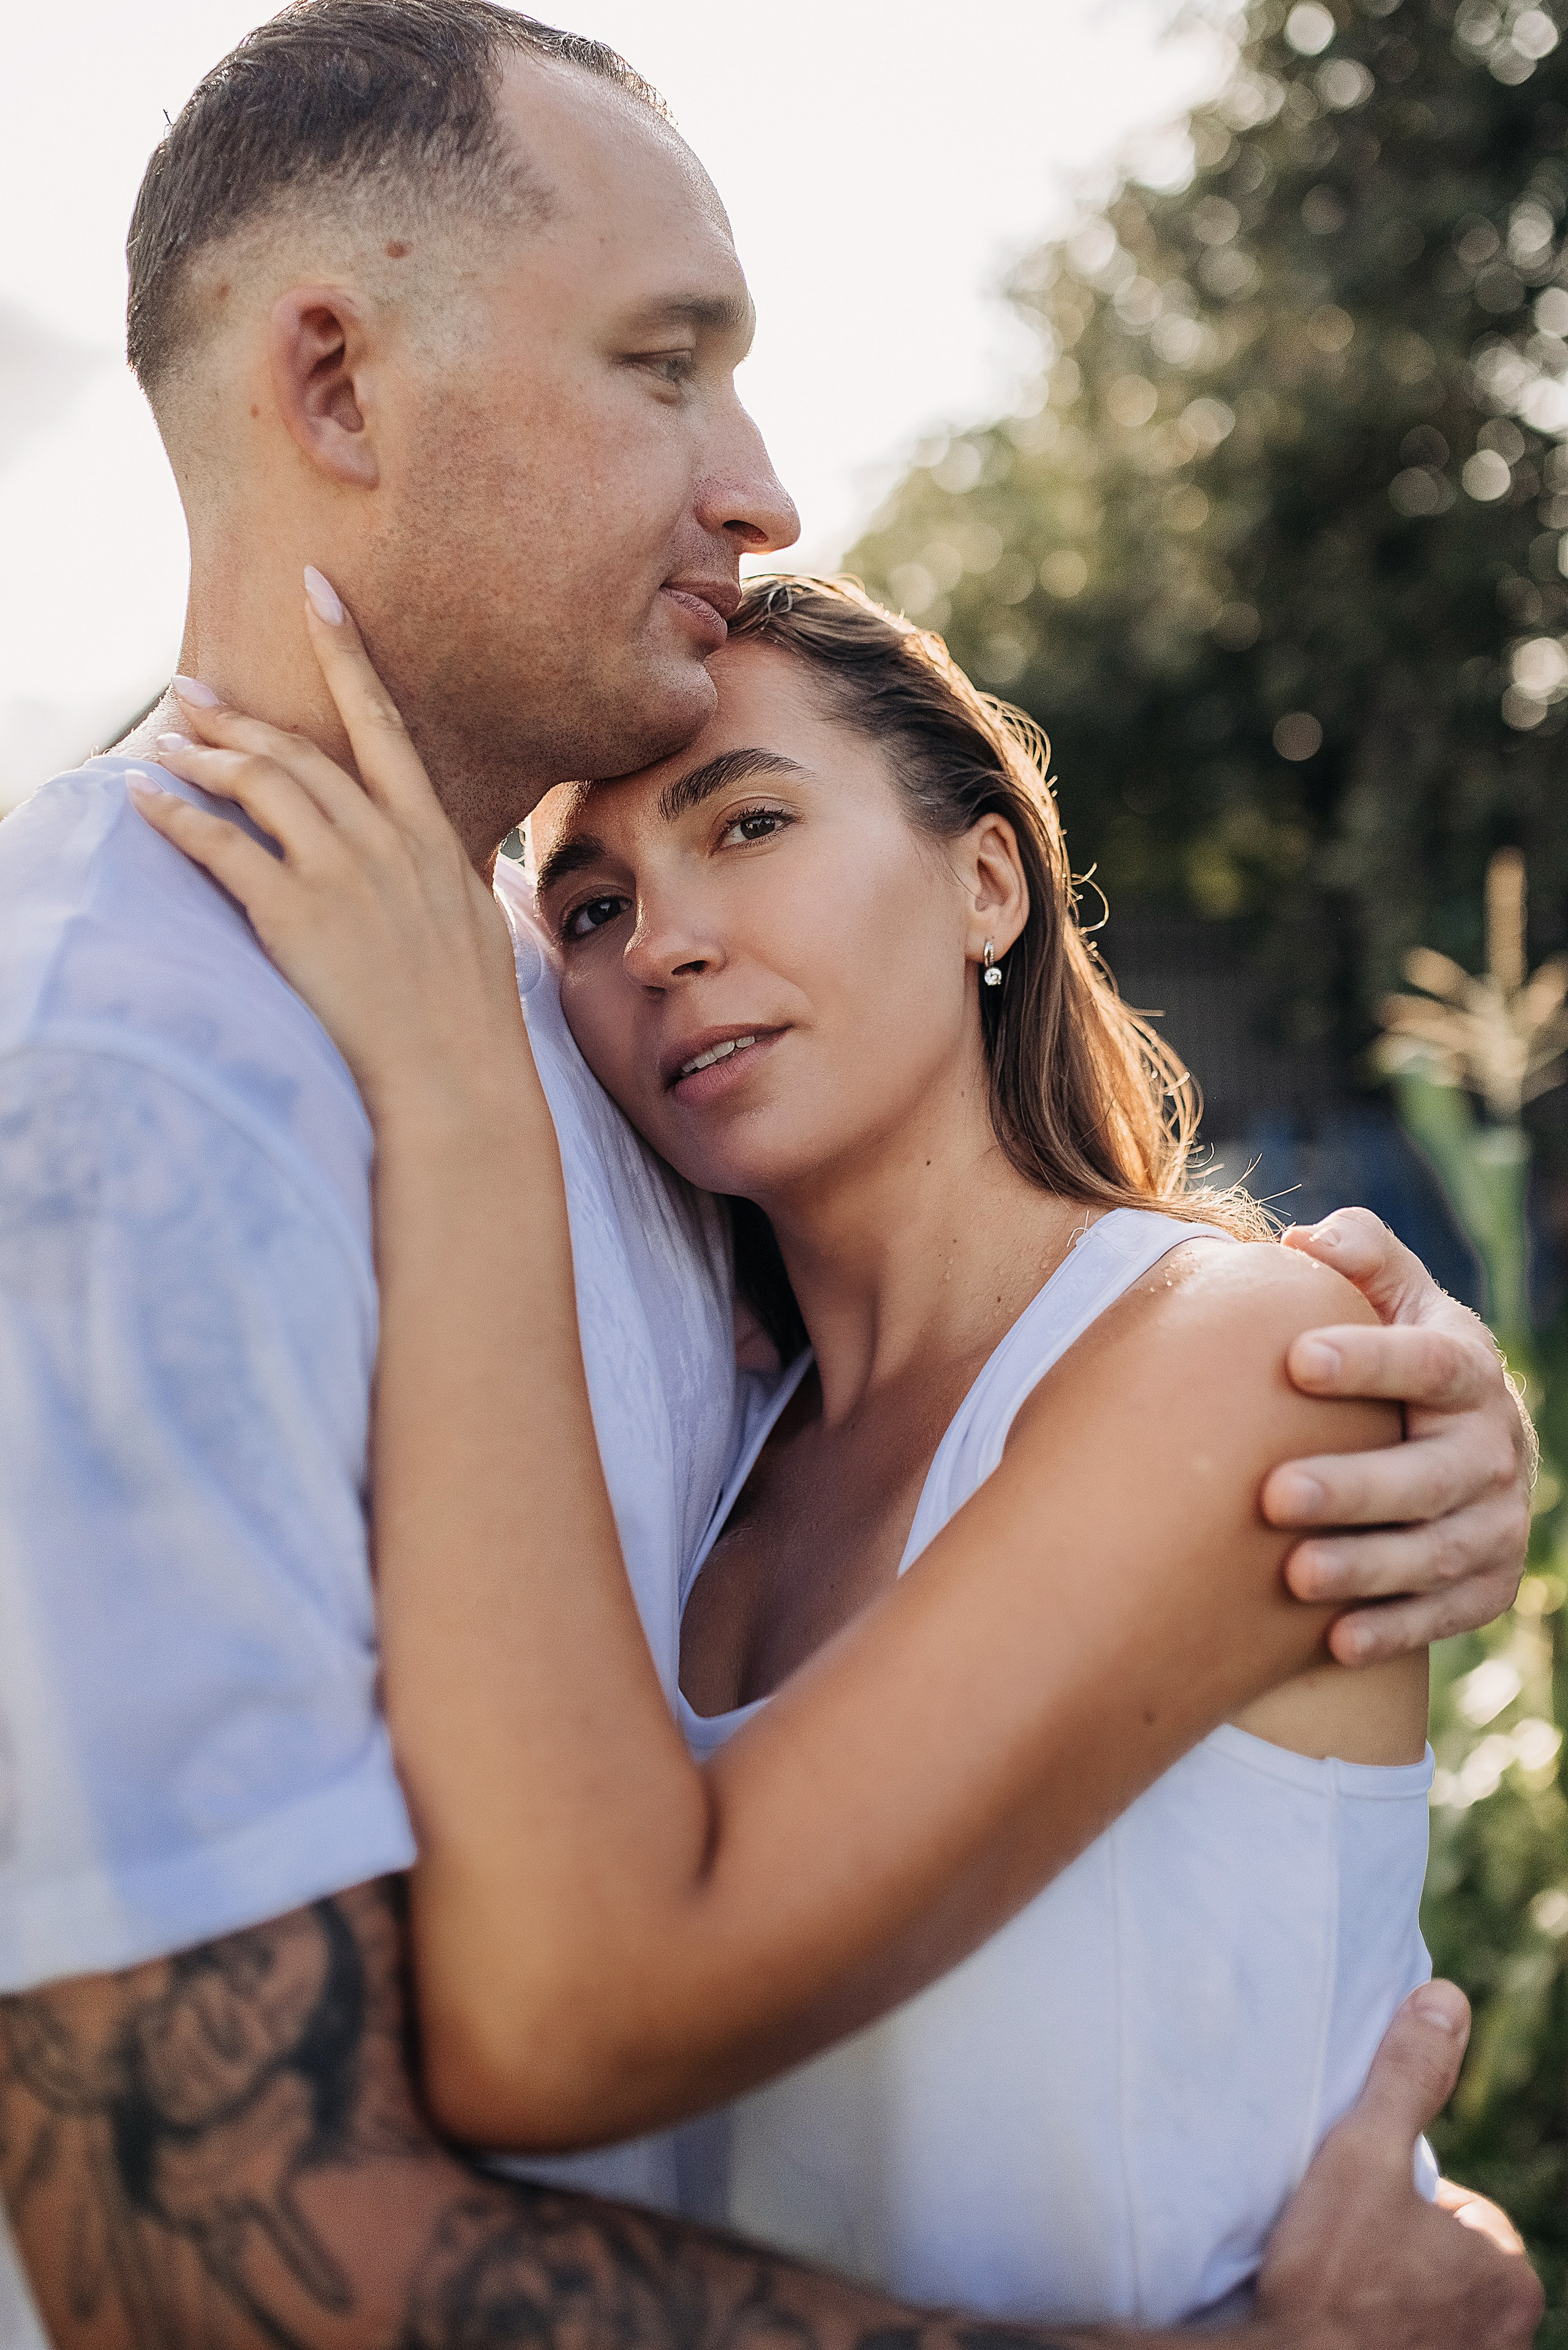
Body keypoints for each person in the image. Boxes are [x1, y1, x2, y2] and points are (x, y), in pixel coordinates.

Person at [0, 6, 1537, 2347]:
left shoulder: (570, 1062)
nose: (764, 488)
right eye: (664, 364)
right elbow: (194, 2249)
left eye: (748, 828)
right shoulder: (105, 1072)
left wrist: (1429, 1421)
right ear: (333, 385)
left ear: (992, 876)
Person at [126, 567, 1531, 2333]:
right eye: (590, 911)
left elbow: (585, 2022)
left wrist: (456, 1099)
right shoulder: (706, 1456)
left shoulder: (1245, 1359)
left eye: (751, 823)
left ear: (987, 882)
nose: (661, 943)